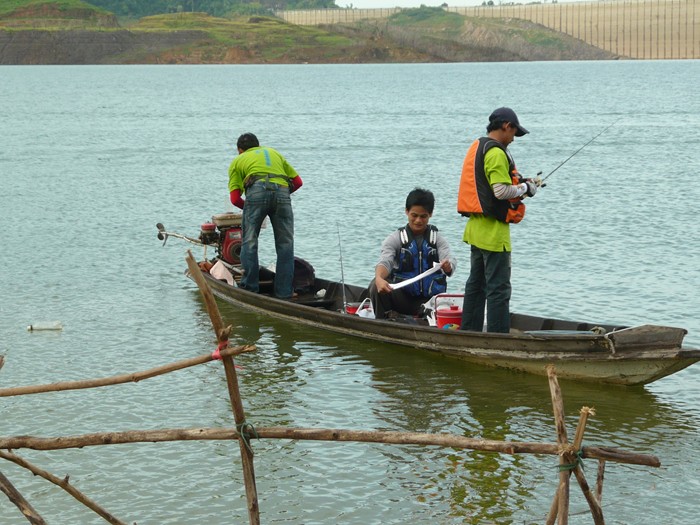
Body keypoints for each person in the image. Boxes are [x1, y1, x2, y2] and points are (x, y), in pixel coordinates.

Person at [457, 107, 539, 333]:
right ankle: (498, 337)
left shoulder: (479, 146)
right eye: (514, 133)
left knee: (476, 286)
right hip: (493, 235)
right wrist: (527, 188)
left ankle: (469, 332)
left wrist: (523, 184)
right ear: (506, 126)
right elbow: (500, 192)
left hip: (476, 229)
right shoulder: (496, 152)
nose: (513, 139)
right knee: (498, 289)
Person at [228, 132, 303, 300]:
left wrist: (250, 208)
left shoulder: (238, 161)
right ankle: (284, 292)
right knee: (285, 244)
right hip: (283, 194)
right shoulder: (274, 153)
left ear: (240, 150)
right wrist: (280, 200)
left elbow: (234, 199)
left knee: (250, 241)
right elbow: (298, 182)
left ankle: (250, 288)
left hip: (256, 193)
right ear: (258, 145)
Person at [369, 188, 456, 320]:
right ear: (407, 212)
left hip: (429, 302)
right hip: (403, 298)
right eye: (414, 215)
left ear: (430, 214)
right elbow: (385, 261)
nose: (418, 221)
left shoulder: (438, 239)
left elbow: (450, 259)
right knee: (375, 285)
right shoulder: (395, 238)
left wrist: (448, 266)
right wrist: (379, 278)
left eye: (423, 216)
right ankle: (384, 322)